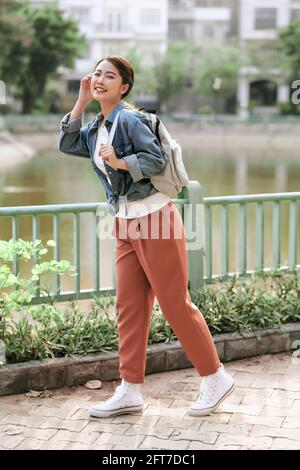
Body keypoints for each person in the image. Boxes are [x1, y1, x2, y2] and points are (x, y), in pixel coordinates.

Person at [59, 55, 235, 418]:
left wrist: (122, 163)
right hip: (124, 223)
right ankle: (130, 390)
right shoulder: (96, 127)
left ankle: (216, 378)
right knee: (129, 307)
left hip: (155, 218)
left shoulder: (130, 118)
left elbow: (154, 160)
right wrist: (80, 102)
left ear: (124, 87)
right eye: (96, 75)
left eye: (110, 76)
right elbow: (67, 143)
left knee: (174, 304)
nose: (100, 80)